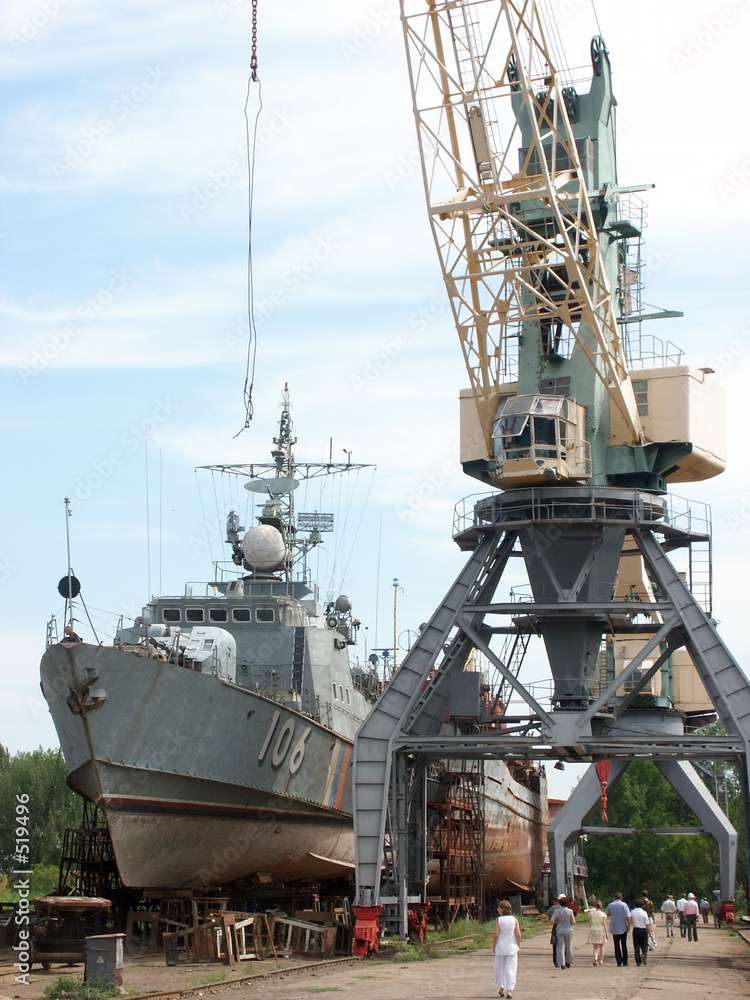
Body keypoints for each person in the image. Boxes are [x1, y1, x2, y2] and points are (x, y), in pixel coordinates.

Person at [493, 899, 521, 999]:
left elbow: (496, 934)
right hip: (511, 948)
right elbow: (518, 934)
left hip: (500, 947)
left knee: (500, 969)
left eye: (499, 908)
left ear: (502, 909)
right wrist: (518, 946)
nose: (498, 910)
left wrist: (494, 946)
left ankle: (501, 988)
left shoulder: (498, 920)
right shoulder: (514, 920)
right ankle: (509, 991)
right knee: (511, 969)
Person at [606, 892, 631, 967]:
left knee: (616, 945)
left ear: (614, 898)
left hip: (614, 927)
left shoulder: (610, 905)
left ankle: (618, 961)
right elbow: (627, 916)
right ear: (621, 898)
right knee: (624, 945)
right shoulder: (624, 905)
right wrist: (629, 926)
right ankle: (625, 961)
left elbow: (607, 914)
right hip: (623, 926)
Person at [551, 895, 575, 969]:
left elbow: (552, 920)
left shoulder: (557, 911)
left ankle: (562, 964)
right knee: (569, 946)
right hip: (568, 930)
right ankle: (568, 962)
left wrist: (556, 923)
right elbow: (573, 921)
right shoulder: (570, 911)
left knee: (560, 947)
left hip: (560, 930)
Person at [630, 898, 651, 966]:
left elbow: (630, 921)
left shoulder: (632, 912)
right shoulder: (644, 913)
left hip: (635, 930)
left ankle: (638, 961)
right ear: (642, 906)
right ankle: (644, 954)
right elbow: (647, 924)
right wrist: (650, 933)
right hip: (643, 929)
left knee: (636, 946)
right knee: (644, 945)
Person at [587, 900, 608, 966]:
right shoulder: (603, 914)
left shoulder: (591, 913)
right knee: (601, 946)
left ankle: (595, 957)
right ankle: (601, 960)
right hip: (600, 930)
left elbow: (590, 923)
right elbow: (604, 924)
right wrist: (607, 933)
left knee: (595, 946)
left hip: (593, 930)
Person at [547, 896, 561, 967]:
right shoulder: (568, 909)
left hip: (555, 927)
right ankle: (563, 961)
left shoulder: (553, 908)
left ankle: (556, 961)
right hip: (564, 928)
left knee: (555, 944)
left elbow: (549, 915)